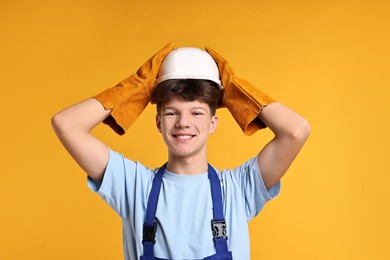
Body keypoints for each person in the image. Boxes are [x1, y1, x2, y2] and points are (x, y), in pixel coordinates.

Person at [51, 44, 310, 260]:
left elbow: (296, 131)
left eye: (196, 112)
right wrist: (138, 87)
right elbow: (67, 124)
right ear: (158, 122)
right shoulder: (133, 185)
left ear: (212, 123)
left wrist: (235, 90)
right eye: (171, 112)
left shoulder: (239, 188)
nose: (183, 123)